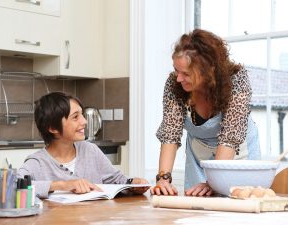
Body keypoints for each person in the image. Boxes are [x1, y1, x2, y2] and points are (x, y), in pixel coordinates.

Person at [150, 29, 261, 197]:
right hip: (199, 156)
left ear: (208, 70)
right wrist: (163, 179)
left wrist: (213, 181)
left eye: (186, 73)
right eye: (176, 70)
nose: (178, 78)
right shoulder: (175, 84)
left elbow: (230, 138)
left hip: (238, 153)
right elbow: (170, 135)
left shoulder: (237, 80)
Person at [18, 92, 149, 198]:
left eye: (82, 115)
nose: (84, 121)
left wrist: (133, 184)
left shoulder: (90, 150)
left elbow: (116, 179)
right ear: (53, 128)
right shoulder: (37, 163)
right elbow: (12, 187)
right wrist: (62, 185)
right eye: (75, 117)